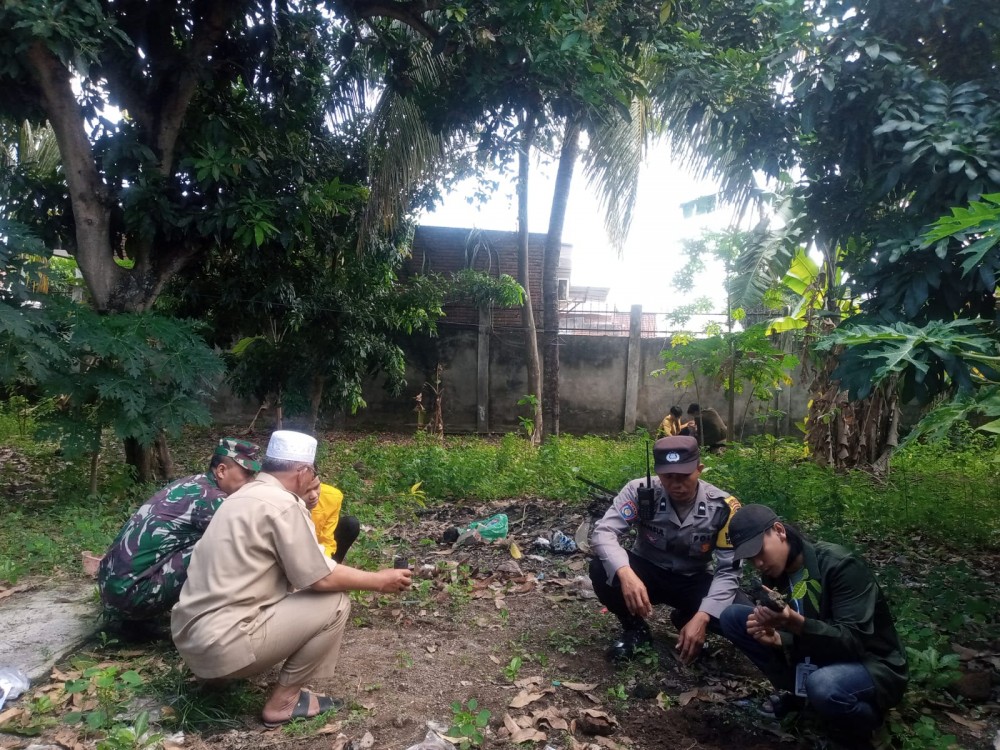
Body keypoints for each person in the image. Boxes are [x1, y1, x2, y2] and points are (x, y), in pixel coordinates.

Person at [171, 430, 412, 728]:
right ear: (302, 472)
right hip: (222, 644)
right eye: (311, 474)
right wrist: (378, 580)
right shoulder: (284, 504)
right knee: (335, 601)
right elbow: (320, 578)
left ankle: (216, 679)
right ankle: (285, 701)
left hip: (190, 640)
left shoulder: (240, 495)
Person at [720, 504, 907, 746]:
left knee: (823, 684)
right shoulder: (774, 573)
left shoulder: (839, 565)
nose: (758, 563)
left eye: (759, 551)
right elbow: (796, 634)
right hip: (817, 653)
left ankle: (863, 727)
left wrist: (793, 622)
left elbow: (852, 641)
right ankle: (798, 696)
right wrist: (778, 638)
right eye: (750, 558)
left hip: (869, 662)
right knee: (734, 617)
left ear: (779, 531)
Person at [588, 436, 749, 663]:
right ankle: (635, 629)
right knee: (601, 568)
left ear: (699, 469)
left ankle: (688, 618)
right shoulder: (640, 491)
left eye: (684, 476)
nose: (676, 485)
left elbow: (728, 571)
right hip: (647, 573)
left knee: (742, 617)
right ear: (657, 472)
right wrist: (626, 573)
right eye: (668, 477)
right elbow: (604, 532)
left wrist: (703, 616)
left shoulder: (723, 507)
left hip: (693, 579)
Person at [97, 437, 262, 624]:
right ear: (222, 470)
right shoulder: (211, 500)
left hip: (113, 588)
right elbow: (253, 536)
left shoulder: (194, 484)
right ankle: (213, 621)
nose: (251, 481)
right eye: (247, 474)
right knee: (226, 546)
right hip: (132, 598)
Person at [311, 483, 360, 563]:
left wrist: (326, 562)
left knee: (350, 524)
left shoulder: (330, 496)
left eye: (316, 487)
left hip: (317, 547)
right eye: (307, 490)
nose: (313, 495)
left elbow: (327, 538)